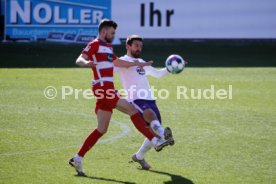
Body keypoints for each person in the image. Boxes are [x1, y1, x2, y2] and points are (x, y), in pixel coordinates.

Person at [68, 20, 173, 176]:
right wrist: (87, 63)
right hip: (102, 88)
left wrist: (138, 63)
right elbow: (79, 59)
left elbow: (118, 62)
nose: (113, 35)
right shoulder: (95, 44)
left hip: (107, 89)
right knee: (132, 110)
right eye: (112, 32)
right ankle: (155, 140)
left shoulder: (109, 47)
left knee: (101, 129)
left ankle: (78, 157)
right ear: (104, 31)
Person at [115, 35, 175, 170]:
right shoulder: (123, 61)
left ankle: (139, 156)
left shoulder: (141, 62)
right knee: (151, 117)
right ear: (128, 46)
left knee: (152, 129)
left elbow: (157, 74)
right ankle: (163, 136)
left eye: (141, 46)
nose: (139, 48)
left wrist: (171, 68)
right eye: (136, 45)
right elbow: (110, 69)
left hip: (150, 99)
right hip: (135, 99)